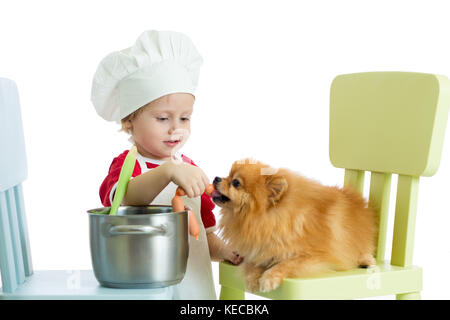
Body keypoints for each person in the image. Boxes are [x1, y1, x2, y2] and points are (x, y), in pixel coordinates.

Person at [91, 30, 242, 299]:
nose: (176, 128)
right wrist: (168, 172)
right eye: (163, 118)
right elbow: (123, 199)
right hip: (147, 288)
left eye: (185, 118)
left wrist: (227, 252)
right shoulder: (128, 164)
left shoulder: (189, 167)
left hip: (195, 291)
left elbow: (204, 237)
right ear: (129, 120)